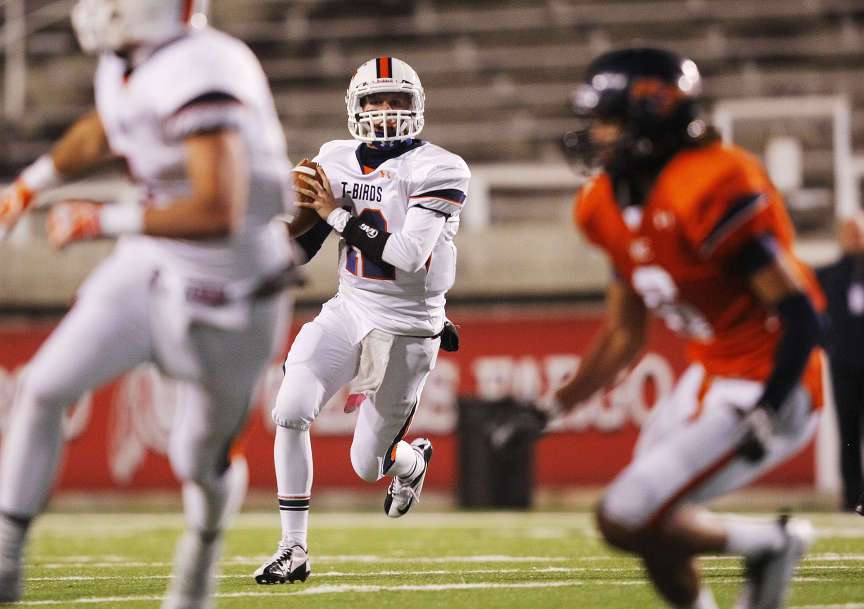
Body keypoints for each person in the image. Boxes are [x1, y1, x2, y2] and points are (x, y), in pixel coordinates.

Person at [0, 1, 298, 607]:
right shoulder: (130, 63)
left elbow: (221, 209)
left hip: (234, 300)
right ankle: (4, 559)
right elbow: (110, 127)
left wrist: (102, 219)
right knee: (43, 385)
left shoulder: (208, 67)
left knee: (199, 458)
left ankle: (203, 552)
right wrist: (31, 182)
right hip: (155, 267)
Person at [543, 48, 826, 609]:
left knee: (626, 513)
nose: (597, 135)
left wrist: (769, 405)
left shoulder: (709, 183)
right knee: (652, 524)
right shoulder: (602, 203)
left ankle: (771, 542)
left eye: (610, 121)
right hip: (708, 375)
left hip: (770, 380)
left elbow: (798, 312)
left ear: (653, 114)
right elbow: (624, 333)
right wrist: (550, 408)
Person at [253, 56, 469, 585]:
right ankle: (293, 547)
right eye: (376, 100)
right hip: (350, 308)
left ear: (416, 108)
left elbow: (406, 254)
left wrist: (333, 212)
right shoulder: (335, 158)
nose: (386, 110)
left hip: (408, 327)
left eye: (396, 100)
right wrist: (269, 245)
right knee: (291, 408)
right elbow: (305, 248)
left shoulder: (441, 167)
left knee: (366, 464)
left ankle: (410, 465)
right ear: (356, 107)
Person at [816, 213, 864, 512]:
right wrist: (830, 346)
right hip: (844, 367)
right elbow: (813, 319)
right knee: (848, 435)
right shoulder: (828, 275)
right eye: (851, 232)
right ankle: (851, 496)